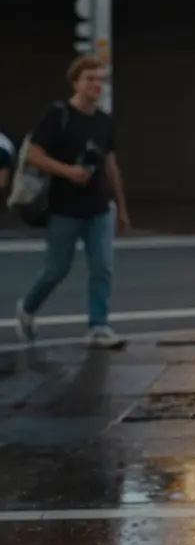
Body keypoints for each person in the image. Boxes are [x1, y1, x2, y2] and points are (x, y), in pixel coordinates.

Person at [15, 56, 129, 348]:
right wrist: (69, 172)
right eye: (90, 78)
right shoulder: (58, 114)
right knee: (56, 269)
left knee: (102, 267)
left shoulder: (104, 121)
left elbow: (111, 166)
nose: (96, 84)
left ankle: (98, 326)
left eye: (100, 79)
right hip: (63, 208)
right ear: (76, 82)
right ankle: (27, 308)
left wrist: (122, 208)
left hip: (99, 208)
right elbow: (33, 154)